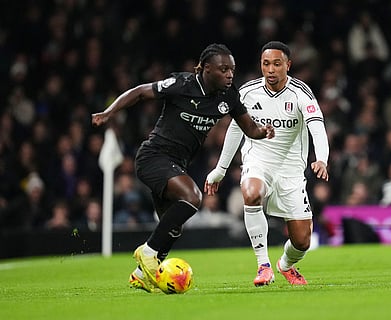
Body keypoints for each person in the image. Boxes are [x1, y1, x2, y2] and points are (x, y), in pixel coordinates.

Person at [91, 43, 274, 293]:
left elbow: (250, 129)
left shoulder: (228, 96)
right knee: (192, 197)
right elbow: (140, 92)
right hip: (153, 157)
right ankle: (147, 253)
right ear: (206, 69)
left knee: (172, 226)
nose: (230, 74)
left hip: (177, 163)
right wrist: (109, 112)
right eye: (224, 69)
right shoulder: (182, 85)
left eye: (232, 69)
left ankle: (139, 275)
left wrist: (263, 131)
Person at [204, 41, 329, 286]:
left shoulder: (301, 93)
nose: (270, 69)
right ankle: (264, 266)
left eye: (276, 64)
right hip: (258, 159)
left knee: (302, 241)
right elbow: (235, 129)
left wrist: (321, 158)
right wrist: (220, 169)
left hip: (291, 170)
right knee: (251, 193)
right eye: (265, 64)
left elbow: (318, 127)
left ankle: (285, 265)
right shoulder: (249, 92)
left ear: (288, 65)